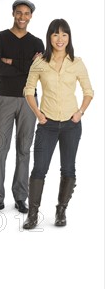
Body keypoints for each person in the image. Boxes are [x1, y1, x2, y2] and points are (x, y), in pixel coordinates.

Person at [22, 19, 93, 230]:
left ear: (69, 37)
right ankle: (32, 214)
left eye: (64, 35)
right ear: (49, 37)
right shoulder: (40, 62)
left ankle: (61, 210)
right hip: (47, 124)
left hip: (71, 124)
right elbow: (28, 91)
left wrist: (80, 112)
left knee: (68, 168)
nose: (59, 39)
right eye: (55, 35)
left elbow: (89, 92)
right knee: (39, 169)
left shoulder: (77, 62)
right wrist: (38, 115)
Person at [0, 0, 44, 214]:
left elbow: (38, 72)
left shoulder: (38, 43)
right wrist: (25, 64)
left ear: (30, 17)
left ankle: (20, 197)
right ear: (12, 13)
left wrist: (10, 62)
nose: (22, 16)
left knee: (24, 149)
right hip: (5, 98)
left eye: (26, 13)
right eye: (19, 12)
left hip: (29, 99)